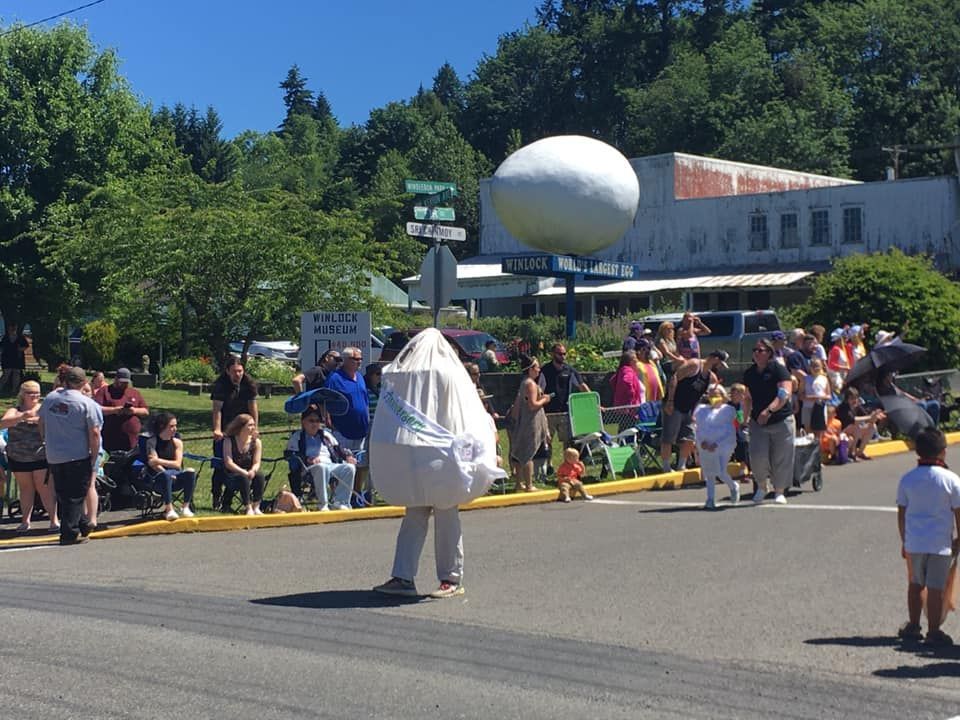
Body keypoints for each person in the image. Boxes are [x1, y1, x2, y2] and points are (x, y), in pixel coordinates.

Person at [896, 428, 960, 646]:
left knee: (915, 585)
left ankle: (914, 625)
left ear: (917, 452)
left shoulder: (907, 479)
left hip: (914, 542)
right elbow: (958, 512)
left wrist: (904, 540)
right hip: (940, 543)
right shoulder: (951, 480)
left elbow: (902, 513)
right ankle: (934, 631)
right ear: (943, 452)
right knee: (936, 587)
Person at [38, 366, 101, 545]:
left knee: (64, 493)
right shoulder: (86, 403)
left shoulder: (50, 398)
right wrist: (94, 455)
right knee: (75, 494)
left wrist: (45, 440)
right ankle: (69, 533)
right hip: (77, 455)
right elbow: (94, 433)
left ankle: (83, 524)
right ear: (84, 382)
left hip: (54, 455)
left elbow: (41, 422)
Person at [743, 337, 795, 505]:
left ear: (769, 353)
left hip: (781, 420)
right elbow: (748, 398)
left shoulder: (779, 370)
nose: (756, 354)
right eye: (755, 351)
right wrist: (744, 418)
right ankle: (761, 487)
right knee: (757, 456)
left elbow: (784, 393)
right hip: (758, 422)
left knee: (780, 457)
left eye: (760, 351)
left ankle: (779, 491)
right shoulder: (749, 374)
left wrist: (769, 410)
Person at [1, 380, 57, 532]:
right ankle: (25, 521)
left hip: (40, 456)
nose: (35, 396)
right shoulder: (15, 410)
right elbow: (3, 423)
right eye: (30, 393)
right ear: (22, 394)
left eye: (37, 393)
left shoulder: (44, 409)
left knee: (44, 488)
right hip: (19, 457)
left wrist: (37, 420)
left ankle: (54, 520)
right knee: (25, 489)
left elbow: (53, 424)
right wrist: (22, 416)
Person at [661, 350, 728, 474]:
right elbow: (674, 378)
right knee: (669, 437)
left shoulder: (710, 377)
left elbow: (703, 395)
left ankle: (681, 465)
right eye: (720, 363)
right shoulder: (694, 365)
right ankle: (666, 467)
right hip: (675, 405)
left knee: (689, 437)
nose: (719, 367)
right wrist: (670, 401)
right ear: (715, 359)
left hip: (689, 409)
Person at [286, 404, 356, 511]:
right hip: (308, 468)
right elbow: (291, 455)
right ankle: (323, 504)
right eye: (311, 421)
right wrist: (307, 459)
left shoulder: (326, 435)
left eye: (317, 421)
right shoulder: (297, 437)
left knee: (350, 468)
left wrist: (348, 456)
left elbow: (339, 449)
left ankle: (340, 502)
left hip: (330, 465)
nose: (315, 424)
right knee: (321, 467)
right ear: (303, 422)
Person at [210, 357, 258, 508]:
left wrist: (255, 427)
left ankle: (228, 500)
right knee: (220, 465)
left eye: (240, 371)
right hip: (226, 429)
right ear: (227, 371)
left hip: (243, 429)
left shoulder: (248, 385)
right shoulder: (221, 386)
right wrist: (217, 429)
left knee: (241, 463)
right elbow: (217, 410)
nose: (238, 375)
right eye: (234, 372)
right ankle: (216, 495)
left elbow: (253, 408)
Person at [325, 347, 369, 498]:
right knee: (343, 465)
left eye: (360, 359)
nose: (359, 362)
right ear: (345, 360)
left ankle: (357, 495)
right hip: (343, 430)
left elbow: (364, 400)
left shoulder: (360, 377)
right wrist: (327, 417)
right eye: (355, 359)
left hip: (361, 429)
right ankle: (338, 495)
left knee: (360, 465)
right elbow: (326, 399)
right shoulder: (335, 378)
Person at [508, 354, 551, 493]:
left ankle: (518, 483)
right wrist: (545, 399)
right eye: (537, 367)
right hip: (530, 421)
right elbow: (533, 405)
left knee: (520, 451)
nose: (539, 370)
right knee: (528, 453)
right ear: (530, 369)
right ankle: (529, 484)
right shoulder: (531, 384)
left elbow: (518, 403)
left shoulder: (524, 382)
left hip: (523, 420)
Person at [144, 412, 197, 521]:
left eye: (175, 426)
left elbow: (177, 464)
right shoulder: (152, 442)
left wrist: (158, 460)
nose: (175, 429)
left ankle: (185, 507)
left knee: (191, 472)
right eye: (171, 426)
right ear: (162, 427)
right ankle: (169, 509)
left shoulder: (177, 442)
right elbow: (154, 466)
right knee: (165, 475)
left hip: (176, 476)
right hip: (158, 479)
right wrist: (165, 471)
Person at [693, 384, 739, 509]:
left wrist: (717, 444)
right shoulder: (701, 410)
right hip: (705, 446)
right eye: (711, 394)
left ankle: (733, 486)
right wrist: (701, 442)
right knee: (709, 473)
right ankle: (710, 499)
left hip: (723, 445)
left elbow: (729, 431)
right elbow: (697, 429)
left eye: (716, 394)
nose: (713, 397)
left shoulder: (728, 410)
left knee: (721, 472)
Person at [538, 343, 590, 451]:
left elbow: (582, 386)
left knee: (568, 442)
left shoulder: (569, 370)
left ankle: (567, 464)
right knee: (547, 441)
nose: (563, 356)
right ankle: (549, 465)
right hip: (549, 412)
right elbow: (539, 390)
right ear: (553, 354)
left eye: (564, 354)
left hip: (565, 412)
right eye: (560, 354)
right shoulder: (545, 370)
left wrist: (594, 402)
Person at [93, 367, 149, 452]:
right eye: (121, 382)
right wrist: (115, 410)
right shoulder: (105, 391)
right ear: (115, 379)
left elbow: (145, 411)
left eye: (126, 383)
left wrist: (133, 411)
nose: (124, 385)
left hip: (131, 439)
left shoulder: (134, 392)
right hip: (111, 437)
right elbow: (97, 409)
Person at [222, 413, 266, 515]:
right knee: (243, 478)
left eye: (253, 425)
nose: (253, 428)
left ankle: (256, 506)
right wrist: (243, 472)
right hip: (233, 474)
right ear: (241, 427)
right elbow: (228, 463)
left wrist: (253, 470)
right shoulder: (229, 441)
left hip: (249, 472)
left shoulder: (256, 442)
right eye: (250, 425)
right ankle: (248, 507)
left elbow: (256, 462)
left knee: (260, 475)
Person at [877, 370, 941, 425]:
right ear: (885, 377)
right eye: (890, 374)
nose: (892, 376)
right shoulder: (882, 389)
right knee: (921, 405)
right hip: (899, 408)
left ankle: (933, 429)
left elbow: (903, 394)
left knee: (934, 404)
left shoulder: (892, 386)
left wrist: (916, 399)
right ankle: (919, 430)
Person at [836, 387, 883, 461]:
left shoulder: (857, 406)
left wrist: (875, 416)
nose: (854, 400)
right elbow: (854, 420)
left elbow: (868, 418)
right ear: (846, 399)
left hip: (854, 432)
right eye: (852, 398)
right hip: (842, 433)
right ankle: (852, 453)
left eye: (856, 398)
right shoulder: (843, 407)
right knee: (856, 426)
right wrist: (869, 417)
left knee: (872, 426)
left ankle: (860, 452)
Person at [800, 358, 831, 437]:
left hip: (820, 407)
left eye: (817, 366)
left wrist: (819, 397)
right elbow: (800, 395)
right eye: (813, 366)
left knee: (819, 432)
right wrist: (811, 397)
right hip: (808, 407)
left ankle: (818, 448)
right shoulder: (806, 379)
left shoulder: (824, 379)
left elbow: (829, 395)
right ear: (810, 367)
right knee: (808, 431)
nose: (815, 368)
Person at [728, 383, 751, 477]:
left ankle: (744, 470)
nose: (733, 396)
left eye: (736, 394)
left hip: (743, 433)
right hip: (731, 433)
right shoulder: (729, 405)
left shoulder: (744, 405)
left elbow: (742, 420)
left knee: (744, 450)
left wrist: (739, 421)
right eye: (732, 394)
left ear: (742, 395)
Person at [0, 322, 29, 395]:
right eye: (11, 328)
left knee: (16, 373)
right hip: (7, 358)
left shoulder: (20, 337)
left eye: (14, 328)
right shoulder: (5, 337)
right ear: (9, 329)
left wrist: (20, 349)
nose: (12, 329)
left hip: (17, 358)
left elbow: (26, 346)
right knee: (6, 374)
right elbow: (1, 347)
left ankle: (14, 390)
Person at [826, 328, 851, 394]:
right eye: (844, 338)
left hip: (842, 377)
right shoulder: (835, 350)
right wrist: (845, 368)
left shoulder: (842, 350)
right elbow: (832, 365)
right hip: (836, 378)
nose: (846, 339)